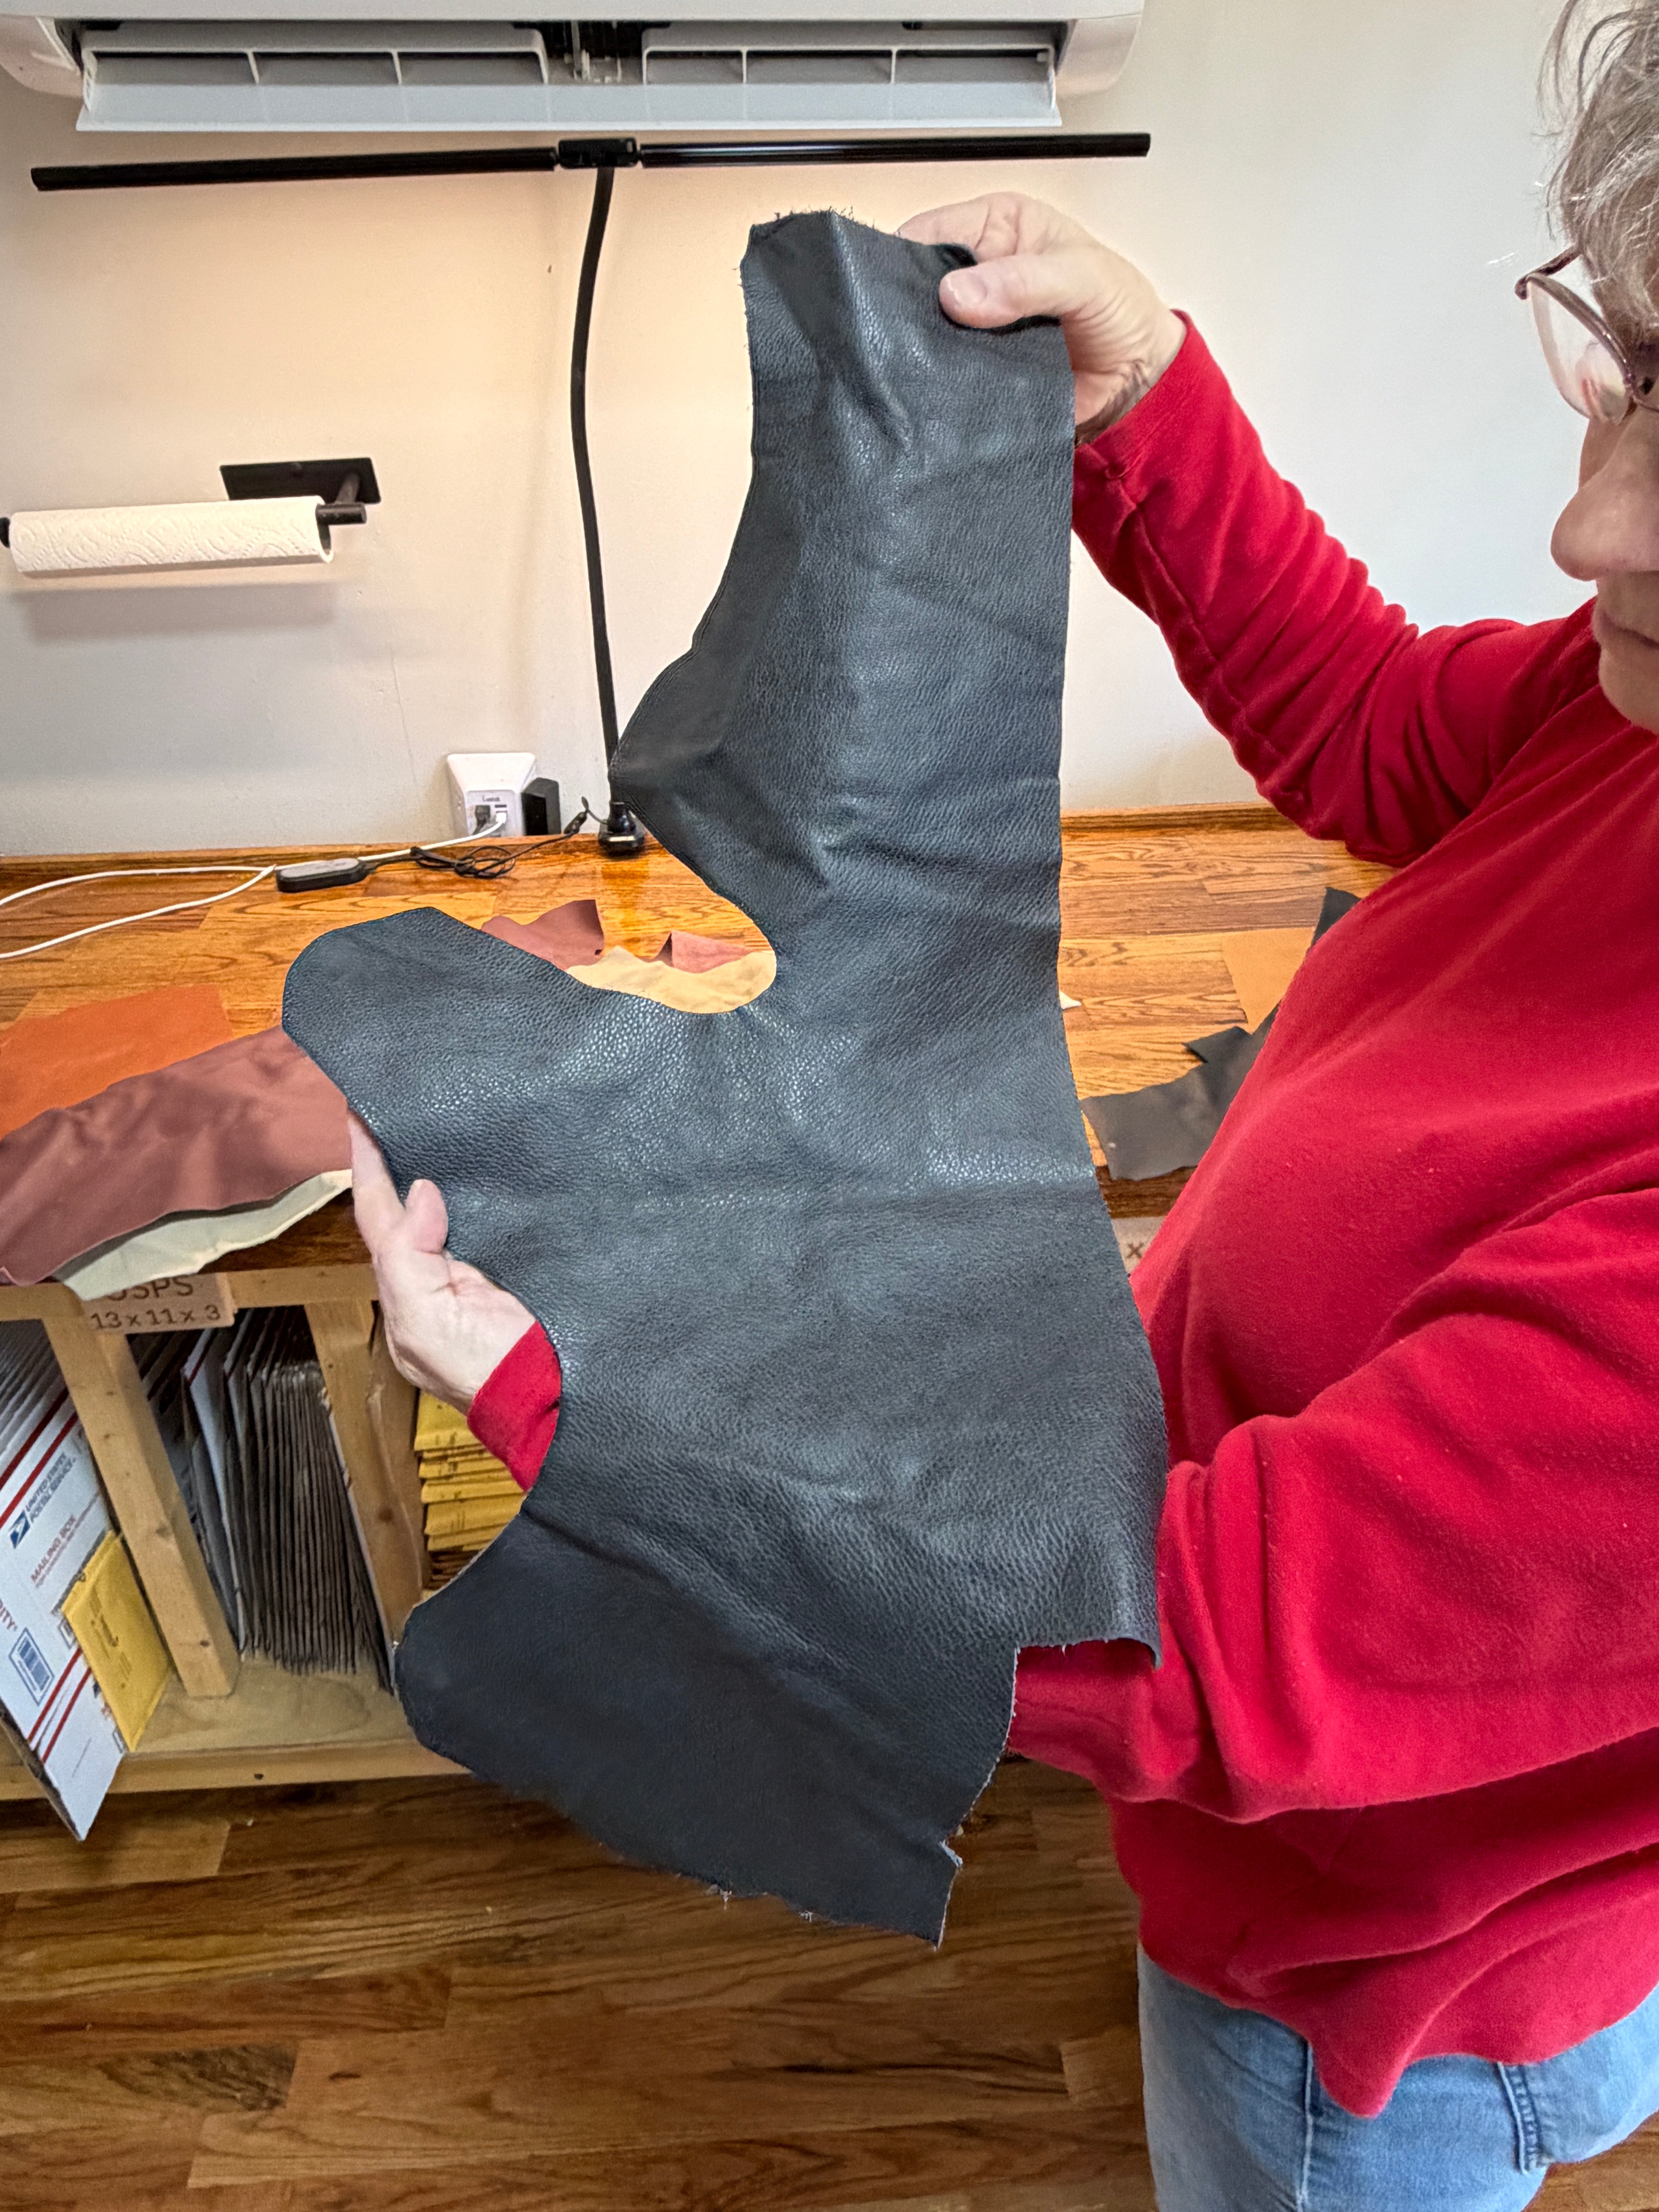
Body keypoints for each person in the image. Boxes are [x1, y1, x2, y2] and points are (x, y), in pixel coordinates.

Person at [346, 3, 1659, 2201]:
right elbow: (1382, 732)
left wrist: (597, 1413)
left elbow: (1195, 1648)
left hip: (1364, 1996)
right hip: (1314, 1838)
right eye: (1635, 376)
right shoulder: (1637, 722)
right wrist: (1144, 399)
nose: (1588, 521)